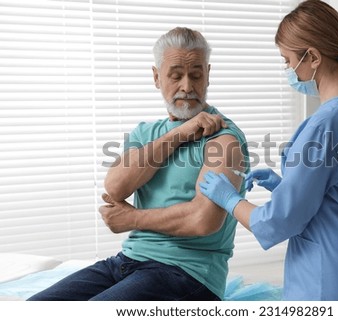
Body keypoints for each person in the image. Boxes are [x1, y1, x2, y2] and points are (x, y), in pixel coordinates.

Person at [200, 0, 338, 301]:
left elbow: (279, 222)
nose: (287, 70)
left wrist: (230, 199)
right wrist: (284, 186)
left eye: (287, 60)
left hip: (332, 281)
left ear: (312, 57)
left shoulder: (323, 126)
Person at [28, 27, 249, 301]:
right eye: (176, 75)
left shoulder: (224, 139)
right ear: (156, 77)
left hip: (189, 274)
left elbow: (202, 220)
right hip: (128, 261)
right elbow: (116, 187)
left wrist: (132, 218)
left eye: (196, 74)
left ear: (208, 74)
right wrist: (179, 133)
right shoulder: (145, 133)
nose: (187, 86)